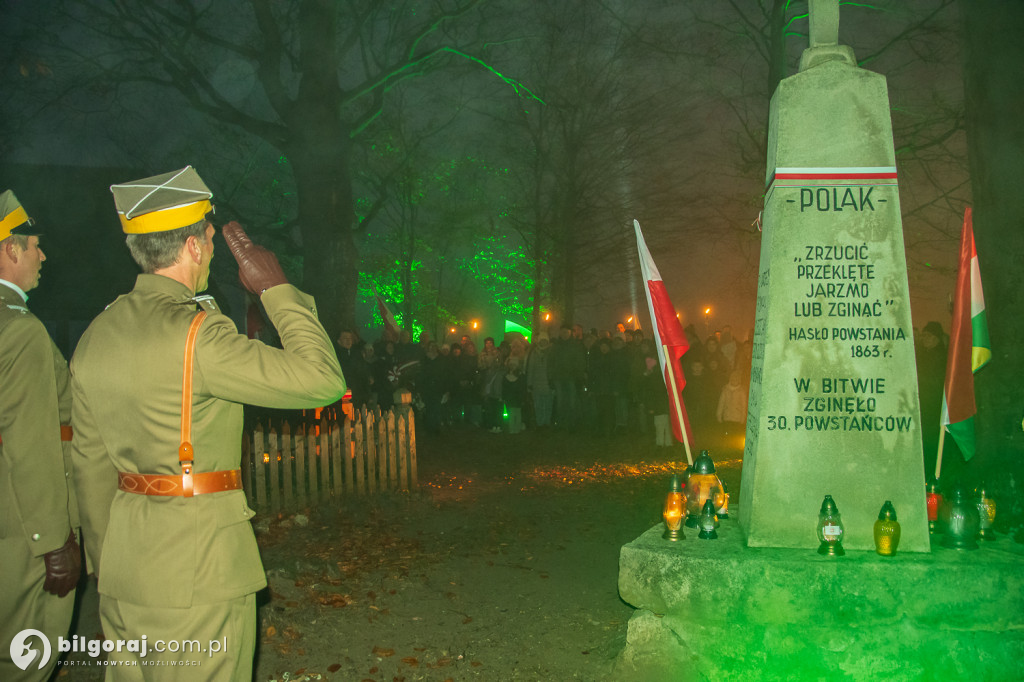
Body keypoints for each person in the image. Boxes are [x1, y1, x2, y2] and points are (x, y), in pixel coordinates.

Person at [71, 166, 346, 679]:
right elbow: (322, 379)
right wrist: (277, 289)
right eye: (209, 241)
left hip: (124, 573)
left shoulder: (96, 334)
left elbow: (89, 466)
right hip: (199, 574)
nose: (214, 251)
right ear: (195, 246)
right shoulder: (199, 334)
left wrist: (112, 565)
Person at [0, 190, 81, 681]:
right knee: (23, 658)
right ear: (11, 250)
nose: (42, 256)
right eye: (34, 246)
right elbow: (31, 443)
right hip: (21, 525)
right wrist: (52, 541)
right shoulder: (20, 331)